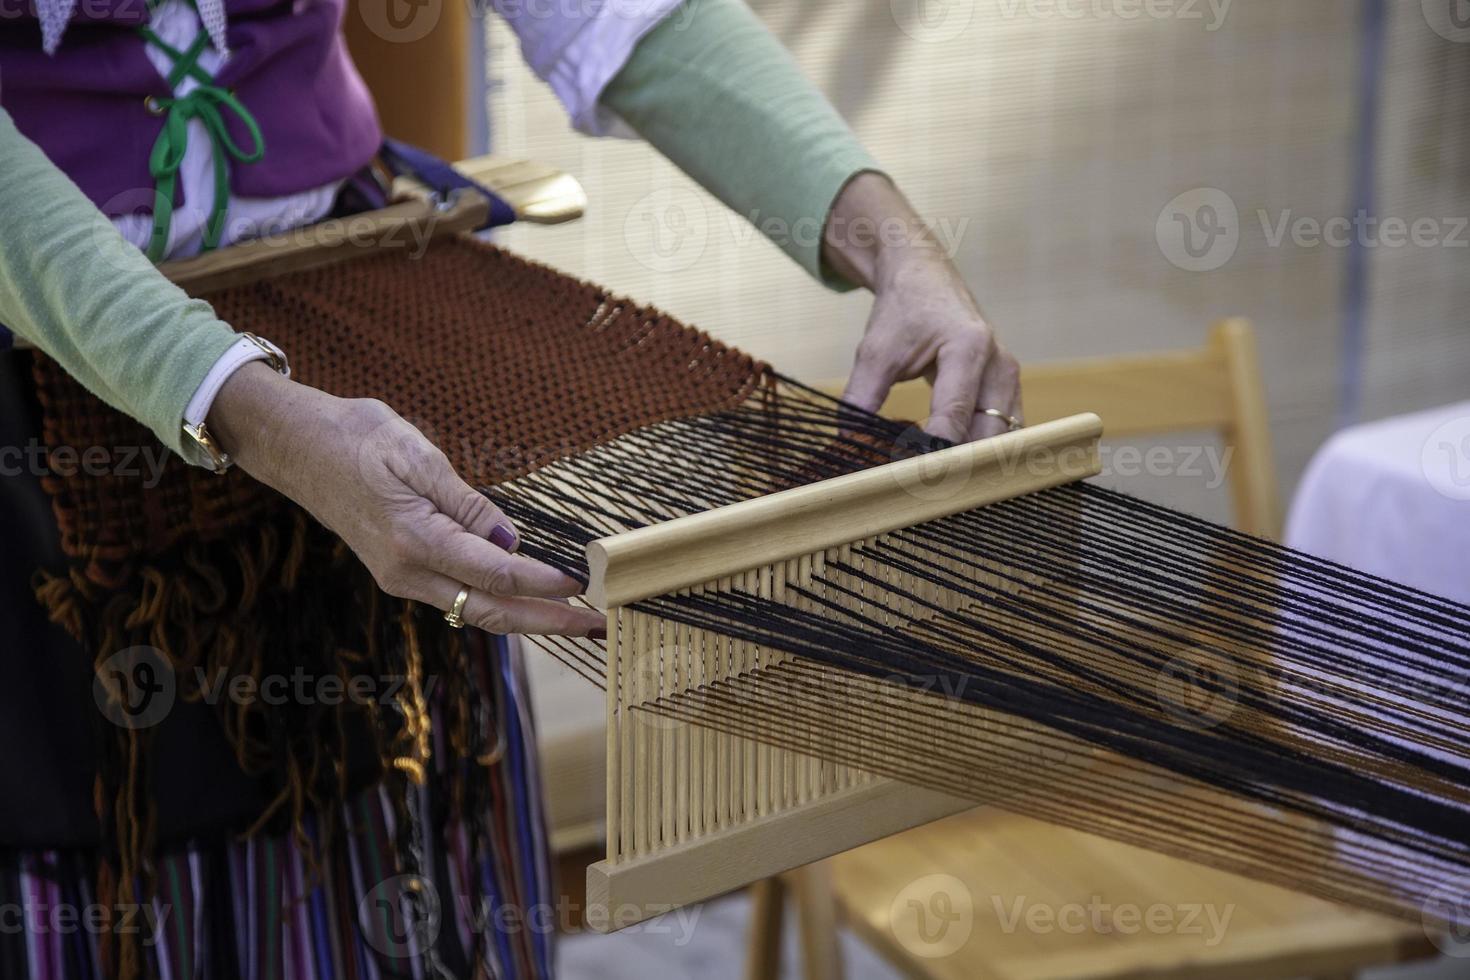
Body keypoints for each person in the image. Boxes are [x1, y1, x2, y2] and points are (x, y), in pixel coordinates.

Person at [0, 0, 1021, 974]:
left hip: (367, 313)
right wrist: (235, 398)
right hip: (46, 380)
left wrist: (891, 238)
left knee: (402, 800)